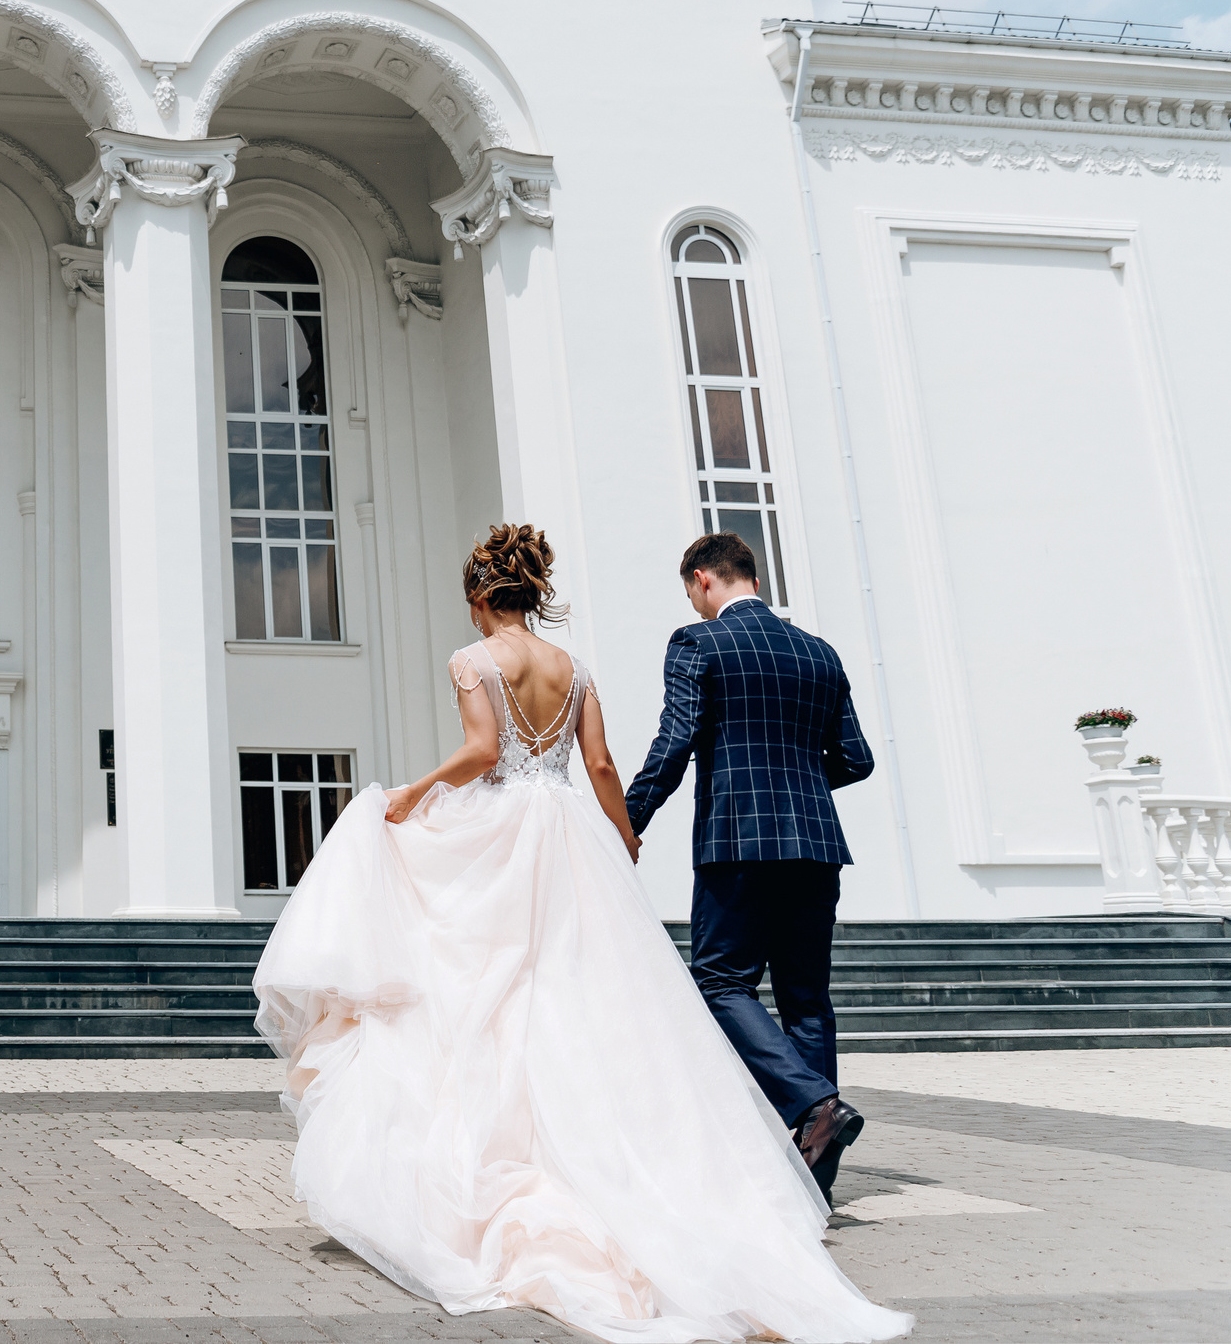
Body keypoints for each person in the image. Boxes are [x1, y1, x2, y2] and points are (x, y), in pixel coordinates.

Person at [254, 525, 907, 1343]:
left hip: (533, 832)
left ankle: (780, 1115)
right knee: (639, 992)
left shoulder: (480, 659)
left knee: (502, 986)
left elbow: (490, 749)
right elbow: (601, 765)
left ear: (482, 597)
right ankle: (812, 1156)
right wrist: (621, 837)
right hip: (611, 832)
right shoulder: (596, 666)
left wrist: (416, 792)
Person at [624, 531, 874, 1203]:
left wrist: (627, 821)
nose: (694, 604)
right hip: (817, 845)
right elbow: (856, 759)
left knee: (717, 980)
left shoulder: (698, 643)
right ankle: (815, 1183)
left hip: (738, 840)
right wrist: (795, 781)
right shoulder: (820, 653)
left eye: (692, 592)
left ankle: (812, 1101)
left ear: (704, 578)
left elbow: (674, 744)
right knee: (807, 1000)